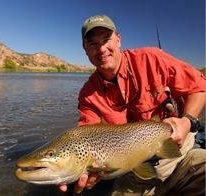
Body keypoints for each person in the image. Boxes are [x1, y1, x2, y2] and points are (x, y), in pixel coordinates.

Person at [59, 15, 206, 195]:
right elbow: (85, 137)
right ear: (85, 50)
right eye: (93, 44)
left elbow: (199, 86)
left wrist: (188, 121)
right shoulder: (88, 95)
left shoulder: (152, 58)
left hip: (182, 155)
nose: (102, 49)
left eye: (106, 40)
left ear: (119, 40)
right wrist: (83, 170)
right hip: (134, 175)